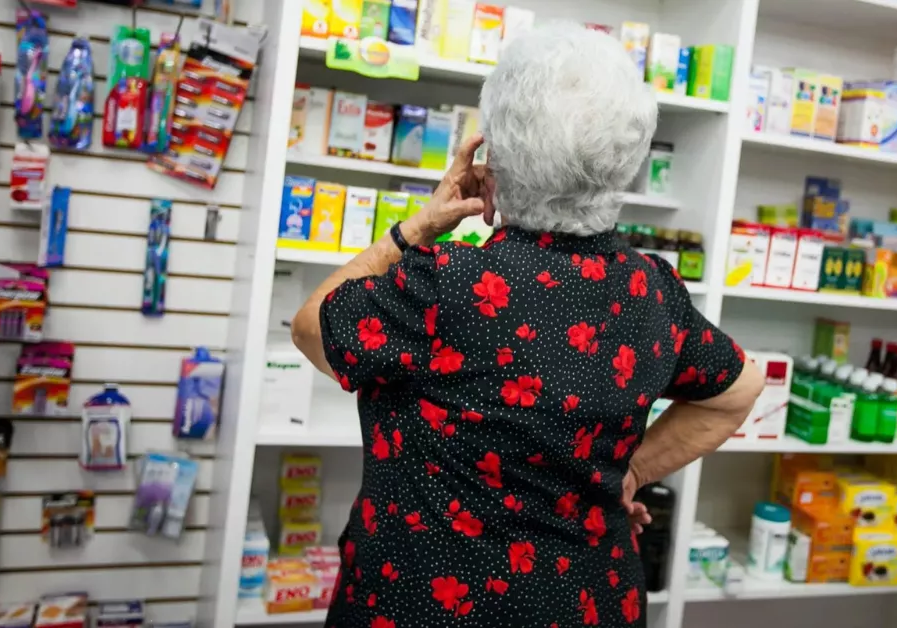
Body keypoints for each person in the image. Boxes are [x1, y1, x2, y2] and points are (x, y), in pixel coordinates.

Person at [291, 23, 764, 628]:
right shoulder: (652, 290)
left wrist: (416, 228)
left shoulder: (447, 284)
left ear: (493, 167)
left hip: (427, 606)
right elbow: (740, 389)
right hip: (589, 605)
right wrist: (633, 473)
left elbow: (312, 327)